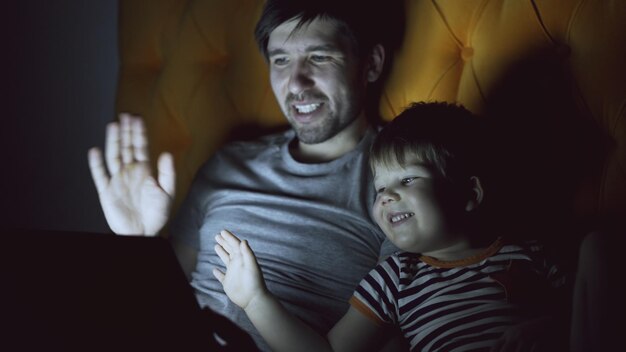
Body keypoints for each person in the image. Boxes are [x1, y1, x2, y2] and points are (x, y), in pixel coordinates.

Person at [87, 0, 406, 350]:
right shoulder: (228, 162)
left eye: (319, 57)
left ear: (371, 64)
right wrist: (138, 242)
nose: (296, 82)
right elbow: (155, 305)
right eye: (280, 60)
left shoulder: (397, 186)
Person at [213, 102, 570, 352]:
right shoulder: (395, 278)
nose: (386, 197)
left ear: (468, 194)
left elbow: (589, 314)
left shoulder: (529, 252)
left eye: (409, 179)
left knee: (600, 251)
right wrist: (255, 300)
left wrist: (549, 327)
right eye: (381, 187)